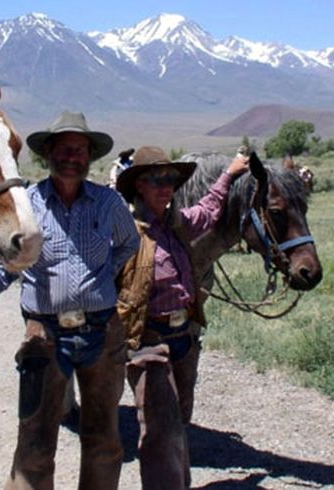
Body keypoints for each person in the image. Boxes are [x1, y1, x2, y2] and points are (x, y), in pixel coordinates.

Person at [0, 110, 139, 490]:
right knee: (35, 441)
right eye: (64, 149)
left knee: (104, 439)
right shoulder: (29, 204)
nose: (72, 156)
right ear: (48, 155)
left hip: (102, 332)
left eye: (79, 150)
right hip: (45, 334)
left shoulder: (110, 203)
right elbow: (11, 264)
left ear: (89, 157)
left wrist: (102, 276)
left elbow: (128, 244)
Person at [114, 146, 250, 489]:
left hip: (184, 340)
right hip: (149, 344)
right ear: (138, 187)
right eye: (156, 179)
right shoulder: (127, 233)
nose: (166, 187)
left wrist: (230, 174)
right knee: (160, 431)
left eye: (171, 179)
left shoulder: (179, 224)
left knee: (179, 422)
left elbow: (209, 208)